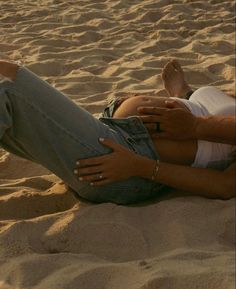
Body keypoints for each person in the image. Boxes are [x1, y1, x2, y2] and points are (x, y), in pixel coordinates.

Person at [0, 59, 235, 205]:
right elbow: (211, 115)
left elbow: (226, 185)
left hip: (124, 162)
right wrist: (182, 92)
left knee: (8, 83)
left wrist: (139, 166)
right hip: (115, 132)